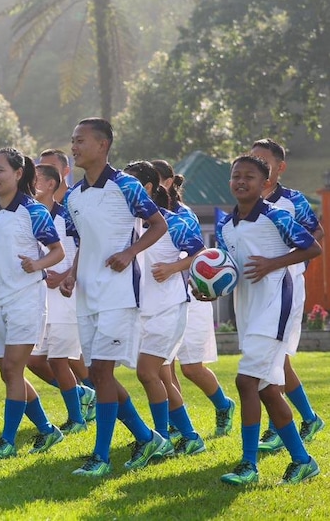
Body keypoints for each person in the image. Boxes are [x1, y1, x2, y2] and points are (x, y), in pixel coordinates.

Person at [61, 118, 168, 477]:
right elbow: (82, 244)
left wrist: (130, 252)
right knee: (96, 375)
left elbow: (158, 225)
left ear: (102, 145)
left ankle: (101, 457)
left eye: (80, 141)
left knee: (103, 372)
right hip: (87, 295)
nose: (74, 147)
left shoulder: (127, 185)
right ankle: (146, 438)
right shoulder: (73, 196)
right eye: (73, 141)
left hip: (119, 295)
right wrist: (71, 275)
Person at [207, 154, 321, 485]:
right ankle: (302, 461)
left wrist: (273, 264)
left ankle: (248, 464)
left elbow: (313, 248)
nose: (241, 181)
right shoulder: (226, 225)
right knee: (270, 388)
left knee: (246, 381)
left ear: (264, 184)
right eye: (236, 176)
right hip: (249, 308)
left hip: (277, 305)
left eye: (250, 177)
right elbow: (229, 269)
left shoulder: (275, 217)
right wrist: (209, 290)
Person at [0, 147, 65, 459]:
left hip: (26, 300)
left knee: (13, 368)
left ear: (18, 174)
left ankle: (7, 441)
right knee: (8, 373)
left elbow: (57, 251)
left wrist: (38, 265)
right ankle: (48, 430)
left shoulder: (34, 211)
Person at [123, 161, 206, 456]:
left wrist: (173, 267)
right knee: (157, 375)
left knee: (147, 373)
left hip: (170, 308)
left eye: (128, 183)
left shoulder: (174, 221)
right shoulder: (127, 224)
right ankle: (189, 436)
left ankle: (161, 441)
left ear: (146, 188)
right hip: (141, 311)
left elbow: (200, 255)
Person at [250, 139, 325, 452]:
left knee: (274, 358)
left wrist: (296, 258)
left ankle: (276, 427)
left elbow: (316, 233)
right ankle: (308, 418)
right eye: (253, 159)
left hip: (288, 287)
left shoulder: (292, 201)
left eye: (263, 161)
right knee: (277, 359)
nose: (257, 165)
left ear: (279, 167)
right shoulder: (247, 202)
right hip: (257, 289)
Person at [151, 159, 235, 438]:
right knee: (164, 367)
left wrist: (172, 269)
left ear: (168, 182)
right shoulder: (143, 217)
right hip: (161, 301)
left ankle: (223, 406)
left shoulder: (183, 214)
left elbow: (198, 254)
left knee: (190, 368)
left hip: (191, 297)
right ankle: (177, 426)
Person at [29, 152, 96, 423]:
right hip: (38, 298)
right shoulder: (29, 217)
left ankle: (77, 417)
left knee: (60, 359)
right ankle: (82, 394)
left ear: (50, 185)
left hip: (66, 297)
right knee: (33, 360)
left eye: (34, 180)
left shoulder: (67, 217)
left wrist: (68, 274)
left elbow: (87, 248)